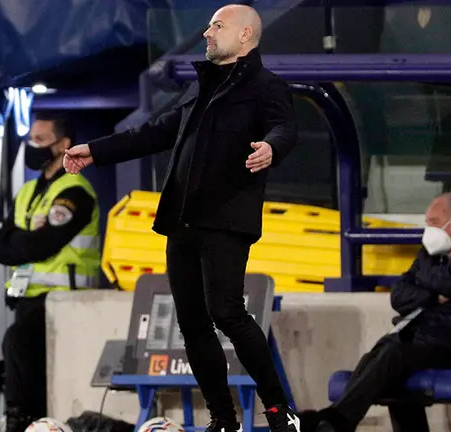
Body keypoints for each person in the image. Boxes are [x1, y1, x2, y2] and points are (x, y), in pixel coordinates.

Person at [63, 4, 299, 432]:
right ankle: (223, 419)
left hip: (225, 219)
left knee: (226, 312)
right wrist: (95, 150)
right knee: (191, 321)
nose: (207, 33)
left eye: (217, 25)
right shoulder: (200, 87)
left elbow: (285, 128)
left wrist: (271, 148)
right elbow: (153, 132)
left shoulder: (266, 87)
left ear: (245, 34)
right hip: (182, 220)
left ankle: (281, 412)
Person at [298, 193, 451, 432]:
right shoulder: (433, 253)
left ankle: (336, 424)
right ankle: (332, 420)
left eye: (433, 222)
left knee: (395, 354)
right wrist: (435, 295)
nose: (428, 229)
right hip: (428, 334)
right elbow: (399, 294)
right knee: (379, 354)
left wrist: (429, 280)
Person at [0, 111, 101, 432]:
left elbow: (43, 245)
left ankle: (19, 419)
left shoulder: (74, 192)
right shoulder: (28, 191)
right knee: (32, 365)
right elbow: (0, 246)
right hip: (27, 299)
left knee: (17, 343)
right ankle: (32, 421)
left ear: (63, 145)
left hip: (63, 302)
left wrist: (21, 240)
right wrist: (25, 241)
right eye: (30, 140)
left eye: (40, 140)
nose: (32, 146)